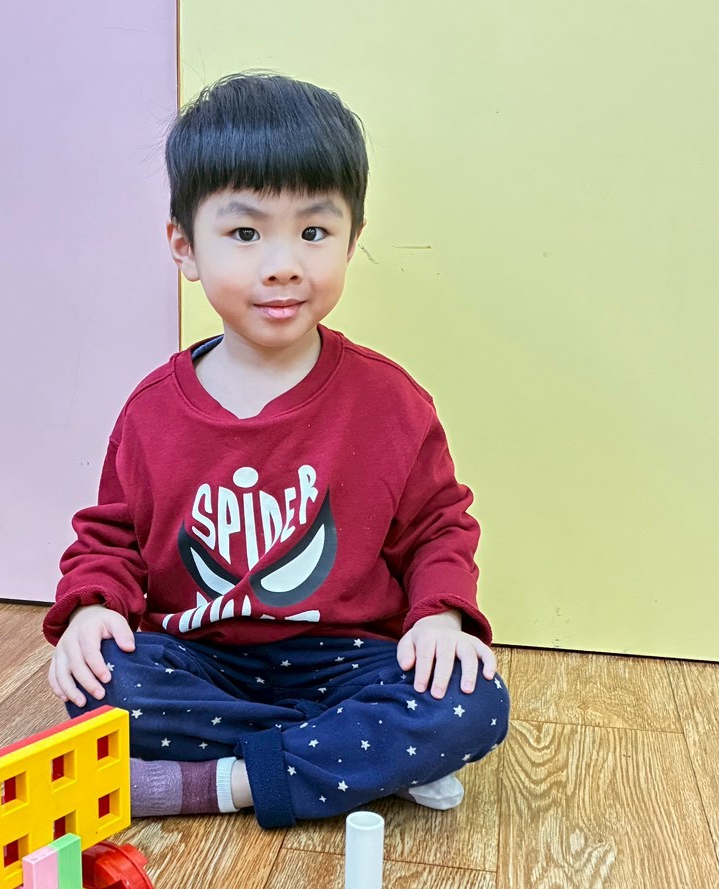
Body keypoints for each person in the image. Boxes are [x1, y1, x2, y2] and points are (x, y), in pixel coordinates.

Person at [44, 71, 509, 830]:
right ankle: (356, 760)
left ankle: (220, 783)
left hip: (348, 659)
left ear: (353, 240)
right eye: (245, 234)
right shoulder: (151, 412)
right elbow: (111, 538)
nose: (283, 263)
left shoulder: (392, 403)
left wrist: (440, 619)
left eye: (314, 233)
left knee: (470, 700)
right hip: (203, 658)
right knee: (102, 684)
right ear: (185, 247)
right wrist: (92, 610)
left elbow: (438, 529)